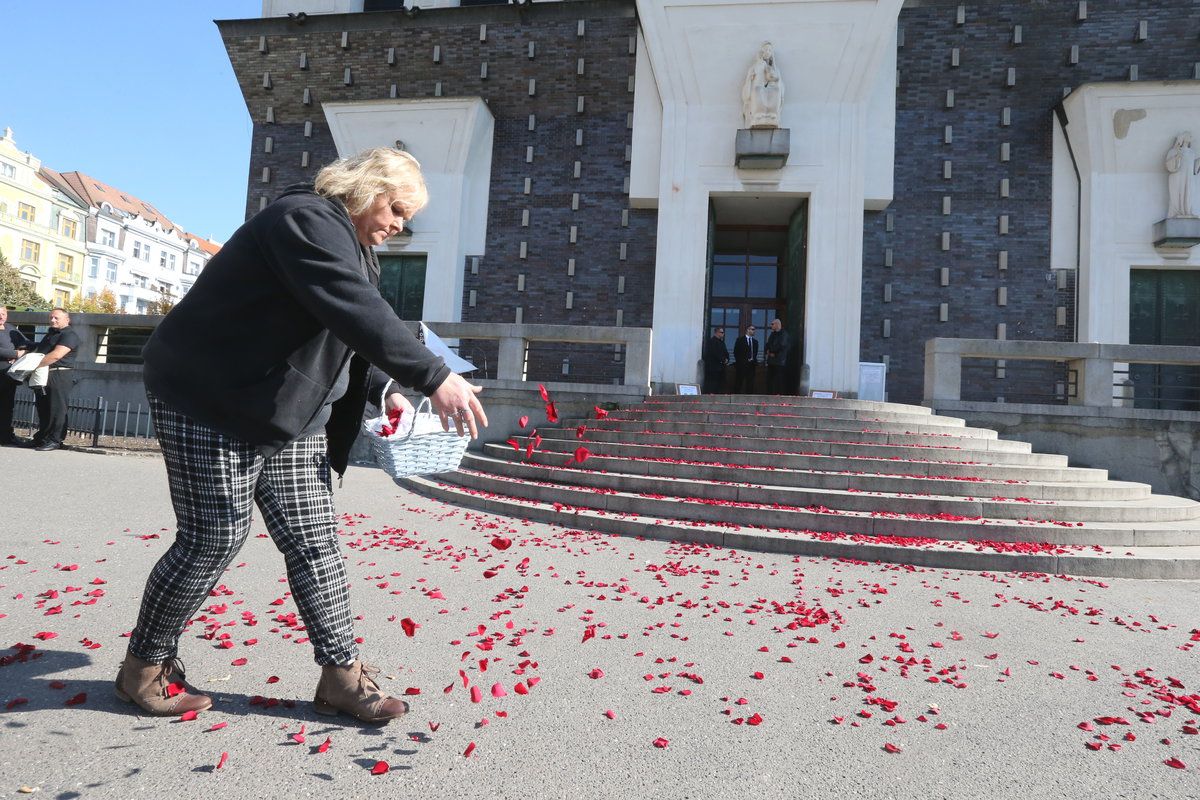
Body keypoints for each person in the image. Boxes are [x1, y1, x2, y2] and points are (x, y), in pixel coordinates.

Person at [117, 147, 488, 723]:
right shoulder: (304, 220)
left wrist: (385, 387)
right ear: (366, 189)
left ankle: (341, 676)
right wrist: (434, 375)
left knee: (316, 543)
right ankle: (143, 666)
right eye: (395, 208)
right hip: (209, 399)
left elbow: (349, 327)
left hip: (287, 416)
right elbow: (353, 305)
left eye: (406, 218)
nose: (398, 226)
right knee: (212, 539)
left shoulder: (353, 248)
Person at [28, 308, 79, 452]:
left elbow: (56, 355)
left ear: (67, 320)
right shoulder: (51, 334)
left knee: (56, 408)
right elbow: (41, 350)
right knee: (43, 407)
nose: (52, 320)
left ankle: (55, 440)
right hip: (44, 373)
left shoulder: (69, 334)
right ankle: (42, 438)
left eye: (56, 318)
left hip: (59, 375)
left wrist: (31, 365)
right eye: (51, 317)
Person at [0, 306, 33, 445]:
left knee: (7, 407)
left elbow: (26, 343)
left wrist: (22, 351)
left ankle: (5, 436)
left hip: (8, 375)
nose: (1, 316)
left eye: (3, 313)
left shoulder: (10, 328)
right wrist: (15, 354)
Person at [764, 318, 791, 394]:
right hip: (771, 361)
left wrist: (773, 352)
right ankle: (769, 394)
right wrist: (767, 351)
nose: (771, 325)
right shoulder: (772, 334)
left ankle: (778, 394)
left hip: (779, 361)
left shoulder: (784, 334)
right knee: (770, 379)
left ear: (777, 324)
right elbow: (768, 344)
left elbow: (782, 346)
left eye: (772, 324)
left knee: (779, 379)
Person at [733, 323, 759, 393]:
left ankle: (749, 398)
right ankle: (736, 396)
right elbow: (736, 352)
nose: (754, 331)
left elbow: (755, 353)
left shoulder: (755, 342)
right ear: (748, 330)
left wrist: (754, 360)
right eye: (752, 329)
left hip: (751, 365)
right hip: (742, 365)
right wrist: (740, 361)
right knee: (739, 381)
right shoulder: (740, 340)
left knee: (750, 383)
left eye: (754, 330)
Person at [703, 326, 729, 394]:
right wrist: (723, 359)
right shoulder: (711, 341)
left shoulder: (722, 342)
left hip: (721, 367)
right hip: (713, 367)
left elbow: (725, 352)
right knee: (712, 384)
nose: (723, 334)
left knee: (720, 384)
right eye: (722, 332)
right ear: (717, 332)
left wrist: (727, 359)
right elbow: (714, 353)